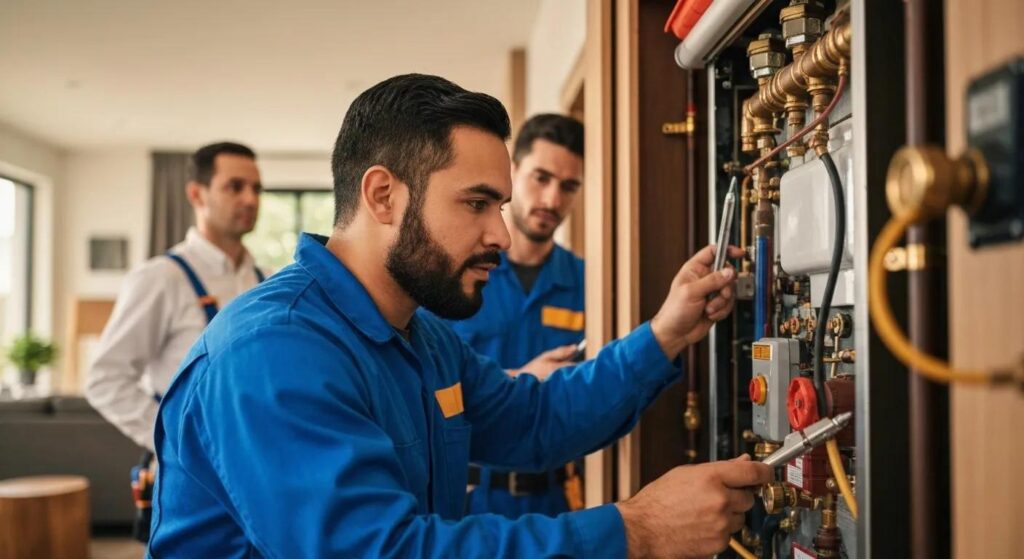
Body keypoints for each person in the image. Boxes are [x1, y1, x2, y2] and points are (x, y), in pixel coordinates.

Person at [149, 74, 769, 558]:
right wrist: (639, 530)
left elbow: (535, 419)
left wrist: (669, 332)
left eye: (499, 204)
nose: (500, 232)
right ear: (383, 195)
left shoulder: (424, 338)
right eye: (476, 203)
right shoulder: (273, 350)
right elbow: (378, 552)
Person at [446, 113, 587, 518]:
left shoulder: (589, 284)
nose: (551, 200)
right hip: (469, 502)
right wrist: (521, 380)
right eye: (540, 178)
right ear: (513, 173)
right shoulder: (460, 276)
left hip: (556, 503)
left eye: (568, 186)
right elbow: (428, 383)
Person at [86, 141, 265, 451]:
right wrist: (176, 441)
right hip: (190, 478)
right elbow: (105, 379)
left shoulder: (266, 280)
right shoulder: (161, 277)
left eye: (256, 189)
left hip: (253, 461)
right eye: (235, 187)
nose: (250, 199)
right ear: (196, 194)